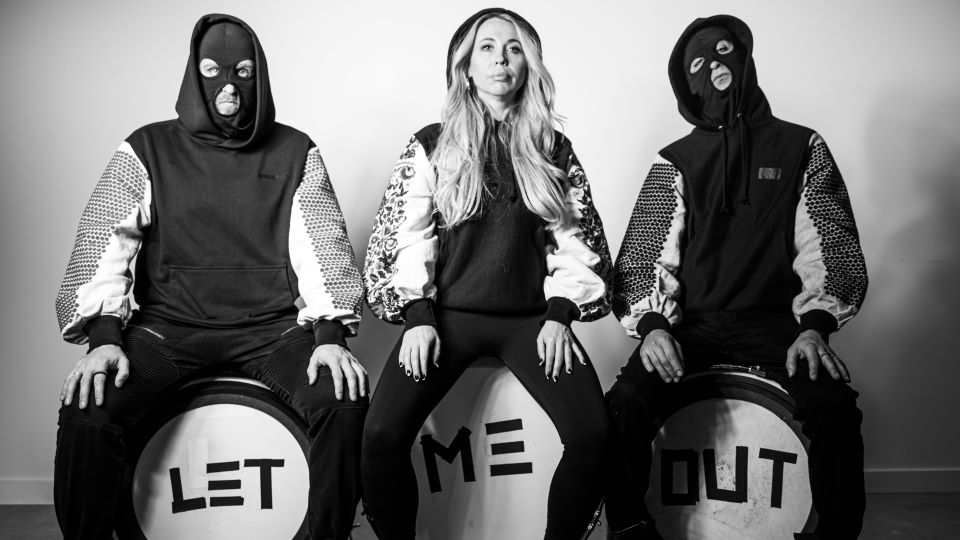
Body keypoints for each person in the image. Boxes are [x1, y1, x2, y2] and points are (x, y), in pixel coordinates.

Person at [53, 14, 367, 540]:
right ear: (193, 76)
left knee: (343, 397)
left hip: (271, 332)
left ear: (259, 77)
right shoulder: (145, 149)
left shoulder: (296, 152)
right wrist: (104, 338)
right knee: (90, 404)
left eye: (243, 72)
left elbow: (323, 246)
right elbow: (104, 242)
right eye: (214, 71)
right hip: (168, 330)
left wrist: (330, 337)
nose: (229, 86)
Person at [604, 14, 868, 540]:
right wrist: (654, 325)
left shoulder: (801, 147)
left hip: (778, 326)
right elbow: (642, 255)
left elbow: (830, 243)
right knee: (626, 403)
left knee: (833, 406)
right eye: (698, 64)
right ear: (686, 85)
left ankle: (836, 533)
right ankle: (631, 525)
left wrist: (815, 325)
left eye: (725, 52)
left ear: (746, 58)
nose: (715, 69)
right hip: (690, 327)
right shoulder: (675, 161)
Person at [360, 8, 613, 540]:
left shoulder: (551, 147)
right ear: (466, 66)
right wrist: (418, 316)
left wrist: (561, 315)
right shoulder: (432, 143)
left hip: (529, 323)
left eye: (514, 48)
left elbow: (573, 240)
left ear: (530, 65)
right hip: (448, 320)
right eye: (487, 48)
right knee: (380, 436)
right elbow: (410, 235)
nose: (501, 58)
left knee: (593, 432)